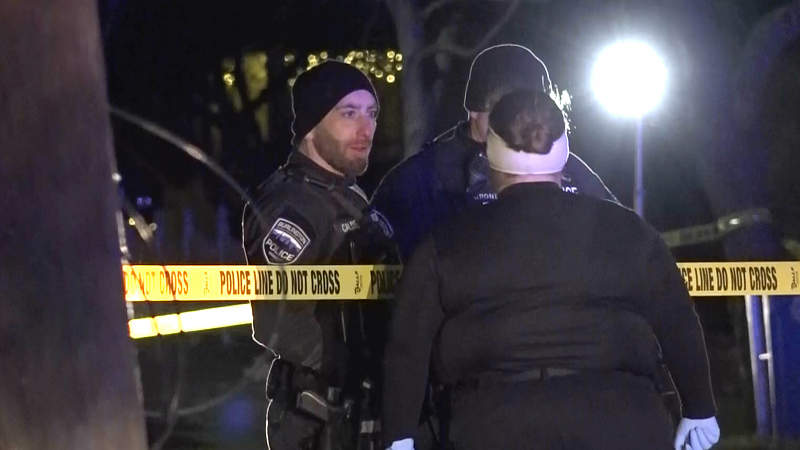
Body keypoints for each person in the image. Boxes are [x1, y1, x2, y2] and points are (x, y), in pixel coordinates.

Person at [381, 89, 720, 450]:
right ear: (564, 153)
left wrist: (399, 434)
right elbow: (678, 320)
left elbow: (407, 345)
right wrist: (699, 406)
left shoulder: (446, 242)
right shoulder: (629, 231)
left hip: (494, 425)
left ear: (490, 158)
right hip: (623, 421)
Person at [241, 61, 399, 450]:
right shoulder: (291, 207)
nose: (366, 129)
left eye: (372, 113)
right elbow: (275, 320)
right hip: (319, 424)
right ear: (311, 126)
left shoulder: (344, 192)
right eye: (349, 114)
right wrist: (356, 361)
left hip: (358, 417)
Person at [371, 43, 618, 262]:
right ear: (474, 110)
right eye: (504, 109)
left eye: (529, 111)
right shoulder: (421, 178)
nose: (516, 121)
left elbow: (619, 237)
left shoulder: (571, 171)